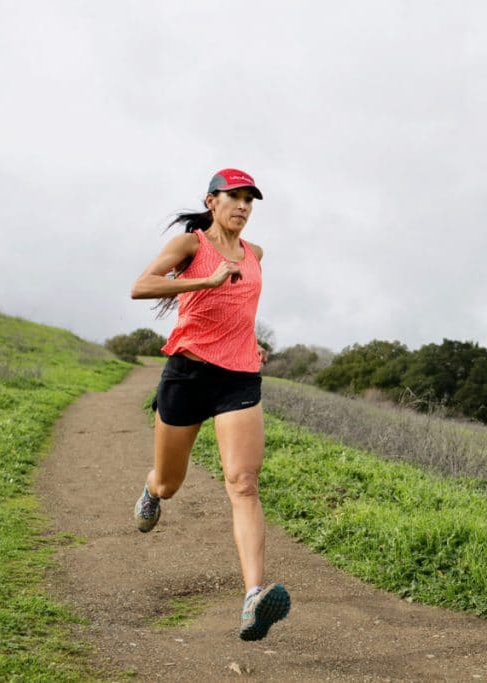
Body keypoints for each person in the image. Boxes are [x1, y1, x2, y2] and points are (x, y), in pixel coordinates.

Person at [129, 168, 289, 641]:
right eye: (234, 197)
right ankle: (152, 490)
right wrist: (206, 282)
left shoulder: (256, 255)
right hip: (188, 372)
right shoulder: (191, 247)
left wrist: (250, 342)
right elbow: (141, 286)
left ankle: (253, 597)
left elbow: (242, 309)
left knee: (243, 482)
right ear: (212, 201)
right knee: (170, 482)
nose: (242, 206)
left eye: (249, 200)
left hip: (238, 376)